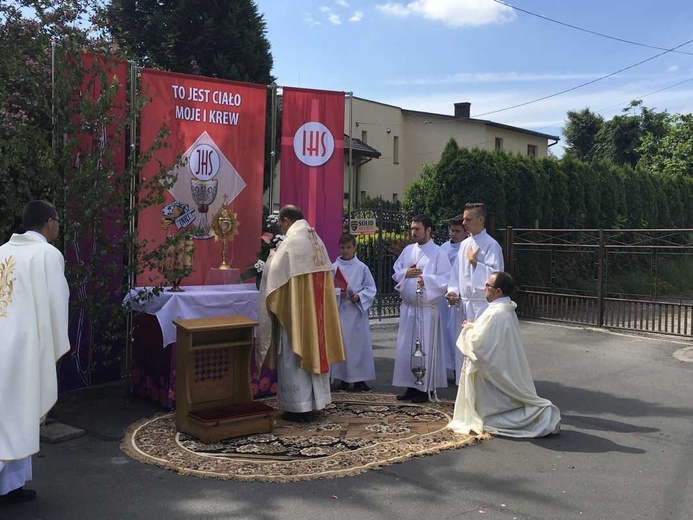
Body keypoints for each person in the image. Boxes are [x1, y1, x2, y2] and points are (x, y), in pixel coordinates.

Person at [0, 200, 70, 503]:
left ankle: (11, 485)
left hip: (4, 342)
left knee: (10, 415)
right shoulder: (48, 254)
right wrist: (54, 348)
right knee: (16, 415)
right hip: (25, 349)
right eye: (57, 220)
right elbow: (57, 303)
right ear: (49, 222)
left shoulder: (2, 251)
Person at [256, 205, 345, 422]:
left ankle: (298, 406)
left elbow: (275, 275)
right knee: (316, 346)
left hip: (296, 314)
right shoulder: (316, 240)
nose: (281, 228)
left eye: (281, 224)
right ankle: (317, 401)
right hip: (317, 315)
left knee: (292, 352)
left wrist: (270, 258)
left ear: (287, 220)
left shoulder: (291, 242)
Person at [448, 272, 561, 438]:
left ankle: (538, 416)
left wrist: (467, 328)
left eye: (488, 286)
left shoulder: (496, 313)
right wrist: (473, 326)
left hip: (493, 369)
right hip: (502, 362)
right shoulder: (505, 308)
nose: (484, 288)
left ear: (498, 291)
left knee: (492, 413)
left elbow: (479, 346)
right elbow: (487, 336)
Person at [392, 215, 451, 403]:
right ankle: (410, 386)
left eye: (417, 229)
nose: (413, 232)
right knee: (406, 349)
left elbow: (446, 279)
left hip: (426, 310)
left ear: (428, 230)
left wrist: (426, 280)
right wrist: (405, 273)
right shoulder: (408, 250)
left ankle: (424, 388)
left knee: (424, 348)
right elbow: (396, 272)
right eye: (412, 229)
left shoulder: (438, 253)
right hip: (409, 308)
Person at [446, 202, 504, 384]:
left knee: (480, 348)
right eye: (464, 218)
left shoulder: (491, 246)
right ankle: (464, 387)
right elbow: (455, 274)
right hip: (464, 304)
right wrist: (453, 291)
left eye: (468, 219)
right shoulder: (464, 245)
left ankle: (482, 387)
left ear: (481, 219)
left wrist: (474, 263)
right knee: (463, 348)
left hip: (481, 305)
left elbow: (497, 277)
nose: (464, 222)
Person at [331, 233, 377, 393]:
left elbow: (371, 289)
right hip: (342, 312)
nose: (345, 251)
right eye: (342, 247)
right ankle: (343, 379)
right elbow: (328, 289)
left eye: (348, 247)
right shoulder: (333, 267)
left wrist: (359, 297)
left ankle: (360, 381)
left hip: (357, 312)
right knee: (344, 346)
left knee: (359, 347)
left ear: (355, 248)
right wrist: (339, 294)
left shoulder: (362, 268)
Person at [438, 215, 467, 378]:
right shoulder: (443, 248)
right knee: (446, 332)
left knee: (457, 332)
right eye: (452, 230)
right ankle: (448, 365)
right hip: (444, 296)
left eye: (457, 231)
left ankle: (459, 367)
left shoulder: (466, 247)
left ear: (464, 232)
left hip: (459, 298)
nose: (453, 234)